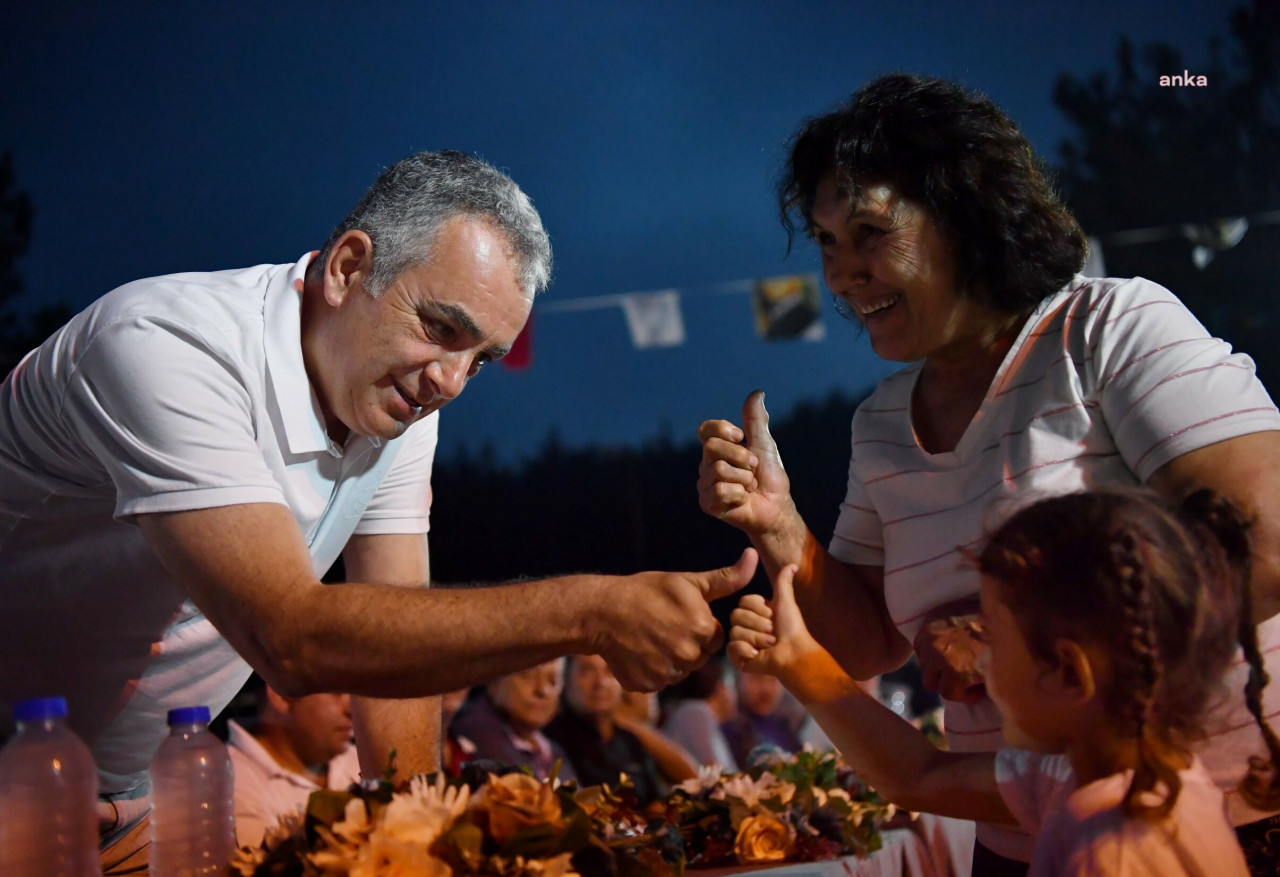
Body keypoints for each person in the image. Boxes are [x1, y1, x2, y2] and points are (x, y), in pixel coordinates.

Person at [0, 150, 757, 872]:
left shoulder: (402, 407)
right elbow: (290, 636)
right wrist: (593, 610)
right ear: (349, 267)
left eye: (483, 357)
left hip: (127, 786)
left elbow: (397, 645)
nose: (452, 382)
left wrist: (420, 842)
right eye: (442, 328)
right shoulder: (167, 345)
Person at [698, 73, 1280, 873]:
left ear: (964, 215)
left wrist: (1014, 630)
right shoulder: (879, 422)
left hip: (1218, 817)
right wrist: (777, 523)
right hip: (1018, 831)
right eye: (828, 242)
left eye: (869, 231)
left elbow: (1264, 542)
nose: (839, 274)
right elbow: (868, 647)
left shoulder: (1108, 327)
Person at [731, 489, 1280, 876]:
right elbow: (915, 774)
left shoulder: (1112, 852)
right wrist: (799, 660)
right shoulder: (1138, 781)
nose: (980, 660)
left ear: (1068, 672)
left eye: (991, 632)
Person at [226, 678, 361, 848]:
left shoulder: (359, 759)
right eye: (335, 691)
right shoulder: (230, 785)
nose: (352, 709)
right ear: (281, 695)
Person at [545, 654, 686, 801]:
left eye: (610, 672)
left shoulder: (630, 741)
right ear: (565, 681)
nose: (600, 682)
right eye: (587, 671)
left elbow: (661, 798)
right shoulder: (552, 742)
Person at [449, 659, 575, 781]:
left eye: (553, 680)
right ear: (493, 679)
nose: (542, 690)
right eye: (528, 675)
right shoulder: (477, 735)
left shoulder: (551, 749)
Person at [660, 656, 739, 772]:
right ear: (721, 688)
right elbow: (717, 772)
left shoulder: (699, 713)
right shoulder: (696, 713)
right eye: (732, 686)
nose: (736, 695)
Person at [721, 669, 803, 767]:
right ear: (738, 681)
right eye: (757, 679)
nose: (766, 689)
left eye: (773, 680)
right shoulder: (729, 732)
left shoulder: (785, 727)